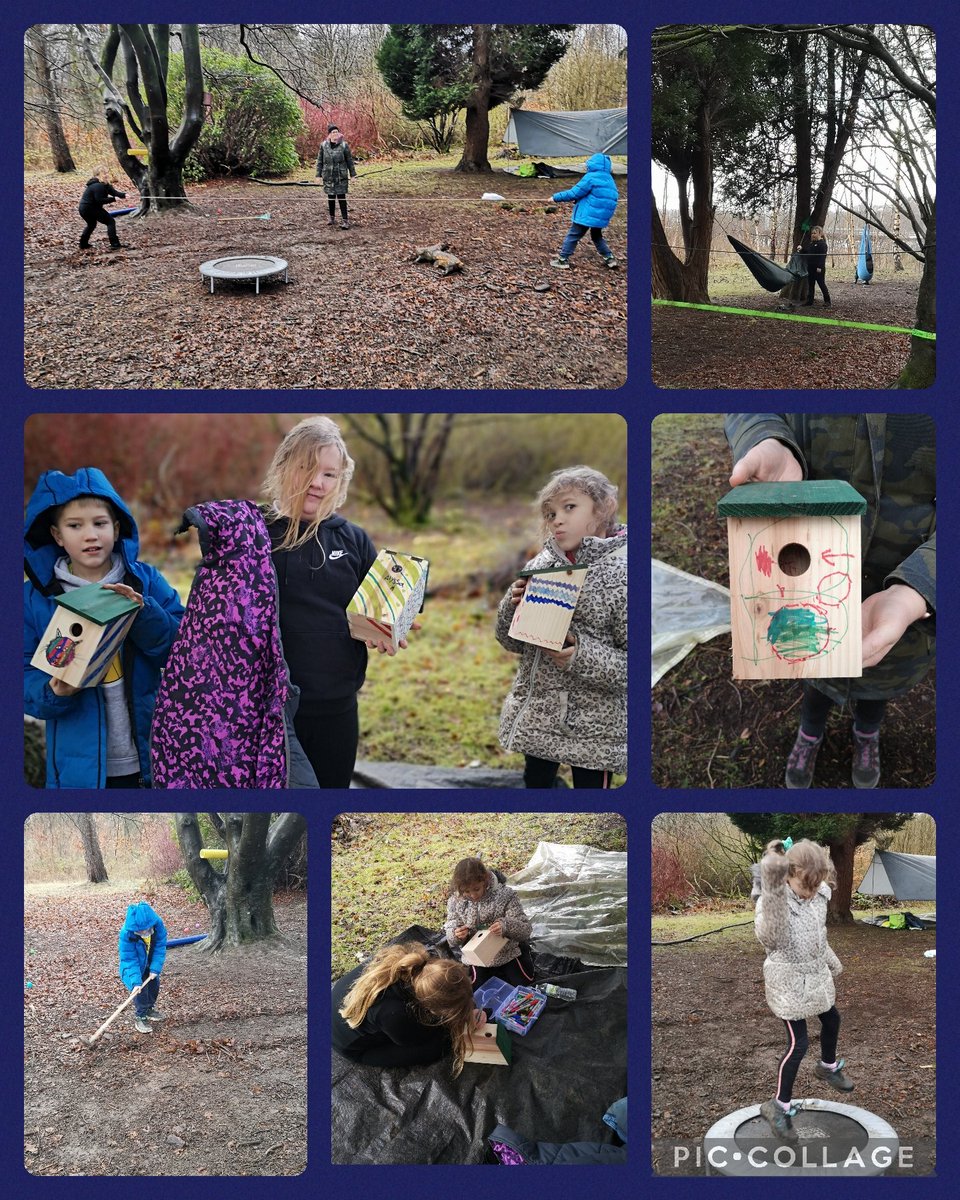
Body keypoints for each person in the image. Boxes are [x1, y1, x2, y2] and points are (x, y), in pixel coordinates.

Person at [725, 414, 935, 788]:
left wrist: (919, 587)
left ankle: (866, 734)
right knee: (817, 676)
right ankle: (809, 734)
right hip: (806, 583)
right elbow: (751, 401)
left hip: (907, 598)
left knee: (878, 680)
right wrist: (768, 438)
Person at [263, 416, 403, 788]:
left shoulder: (354, 540)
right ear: (283, 466)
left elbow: (378, 613)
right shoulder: (256, 537)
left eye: (329, 474)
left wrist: (390, 628)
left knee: (331, 797)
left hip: (338, 706)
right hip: (271, 711)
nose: (316, 483)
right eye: (307, 469)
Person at [24, 468, 184, 788]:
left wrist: (143, 612)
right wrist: (52, 692)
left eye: (100, 523)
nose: (90, 535)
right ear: (57, 535)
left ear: (116, 526)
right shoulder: (34, 601)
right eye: (75, 526)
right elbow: (21, 675)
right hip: (77, 770)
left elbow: (183, 649)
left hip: (150, 756)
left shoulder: (145, 582)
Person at [496, 465, 627, 788]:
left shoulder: (625, 574)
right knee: (536, 784)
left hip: (596, 729)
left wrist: (578, 655)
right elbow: (512, 643)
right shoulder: (541, 565)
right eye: (550, 513)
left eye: (570, 507)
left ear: (603, 507)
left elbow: (637, 667)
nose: (557, 519)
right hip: (539, 717)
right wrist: (510, 607)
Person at [754, 839, 853, 1143]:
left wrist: (832, 963)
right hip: (787, 983)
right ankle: (778, 1106)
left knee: (833, 1020)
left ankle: (827, 1066)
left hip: (815, 975)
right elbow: (768, 939)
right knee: (798, 1044)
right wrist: (770, 887)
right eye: (804, 886)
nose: (810, 893)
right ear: (787, 874)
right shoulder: (774, 902)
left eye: (816, 885)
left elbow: (818, 936)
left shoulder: (819, 895)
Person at [332, 942, 482, 1071]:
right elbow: (418, 1039)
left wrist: (465, 1009)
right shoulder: (396, 1014)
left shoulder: (415, 964)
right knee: (435, 1048)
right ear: (431, 1008)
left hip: (337, 1000)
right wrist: (460, 1025)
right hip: (349, 1045)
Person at [444, 857, 534, 987]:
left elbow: (525, 930)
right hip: (476, 956)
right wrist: (455, 934)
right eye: (467, 891)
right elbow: (451, 929)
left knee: (524, 984)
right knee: (474, 989)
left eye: (476, 889)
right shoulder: (455, 901)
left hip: (507, 952)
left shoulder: (506, 895)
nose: (473, 895)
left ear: (485, 880)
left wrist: (506, 926)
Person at [549, 152, 619, 270]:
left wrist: (555, 197)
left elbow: (574, 193)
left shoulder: (590, 177)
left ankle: (563, 260)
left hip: (588, 214)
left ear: (592, 165)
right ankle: (609, 258)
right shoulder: (609, 179)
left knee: (573, 235)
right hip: (602, 215)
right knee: (597, 236)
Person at [118, 900, 168, 1035]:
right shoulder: (126, 934)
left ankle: (150, 1009)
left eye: (145, 929)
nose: (144, 932)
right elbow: (129, 959)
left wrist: (155, 968)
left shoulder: (158, 926)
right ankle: (140, 1016)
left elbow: (160, 947)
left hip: (150, 963)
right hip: (134, 967)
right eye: (139, 930)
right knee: (140, 991)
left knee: (153, 985)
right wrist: (135, 981)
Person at [316, 125, 357, 229]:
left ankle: (345, 220)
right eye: (333, 132)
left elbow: (350, 161)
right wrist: (318, 175)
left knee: (341, 197)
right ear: (329, 134)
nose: (335, 134)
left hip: (341, 176)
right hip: (328, 176)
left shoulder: (344, 145)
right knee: (330, 197)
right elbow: (320, 161)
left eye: (336, 132)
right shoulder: (323, 145)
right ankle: (332, 218)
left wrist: (353, 175)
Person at [78, 167, 127, 252]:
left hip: (85, 208)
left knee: (92, 224)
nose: (107, 175)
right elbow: (100, 200)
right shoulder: (98, 186)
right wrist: (113, 199)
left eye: (107, 173)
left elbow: (114, 192)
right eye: (104, 173)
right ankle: (115, 244)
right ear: (98, 175)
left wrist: (124, 195)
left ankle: (83, 244)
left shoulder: (105, 184)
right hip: (89, 208)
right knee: (110, 221)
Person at [798, 225, 830, 306]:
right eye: (812, 233)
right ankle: (809, 301)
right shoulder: (812, 243)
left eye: (815, 233)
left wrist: (819, 267)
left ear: (820, 234)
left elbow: (822, 256)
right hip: (810, 267)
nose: (813, 235)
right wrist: (801, 249)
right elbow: (807, 252)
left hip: (818, 269)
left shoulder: (822, 244)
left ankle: (827, 301)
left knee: (821, 284)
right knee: (811, 284)